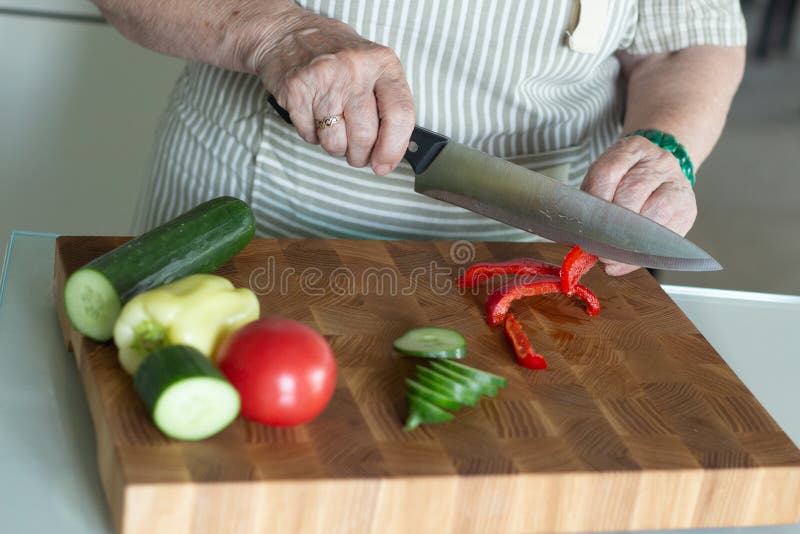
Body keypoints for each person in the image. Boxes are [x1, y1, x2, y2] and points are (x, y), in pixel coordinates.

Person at [96, 0, 746, 276]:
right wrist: (277, 34)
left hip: (532, 251)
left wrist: (668, 145)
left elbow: (685, 36)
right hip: (248, 220)